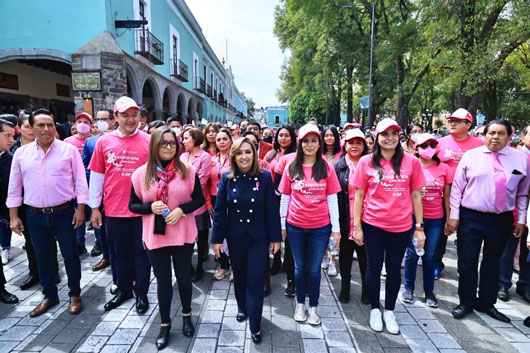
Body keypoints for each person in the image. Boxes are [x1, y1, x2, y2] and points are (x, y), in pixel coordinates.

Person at [447, 119, 530, 323]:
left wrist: (521, 220)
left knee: (493, 263)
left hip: (501, 219)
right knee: (467, 262)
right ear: (484, 135)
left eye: (501, 133)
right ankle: (466, 301)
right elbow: (457, 188)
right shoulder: (471, 156)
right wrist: (454, 217)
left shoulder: (520, 160)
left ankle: (486, 302)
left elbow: (522, 193)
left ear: (510, 136)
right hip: (471, 217)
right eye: (491, 132)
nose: (495, 137)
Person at [8, 108, 88, 317]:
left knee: (70, 255)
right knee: (43, 257)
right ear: (31, 128)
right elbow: (14, 187)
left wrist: (80, 210)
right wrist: (13, 216)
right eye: (40, 125)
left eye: (50, 125)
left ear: (55, 127)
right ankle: (49, 295)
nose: (46, 129)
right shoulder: (21, 154)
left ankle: (75, 295)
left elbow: (81, 181)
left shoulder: (68, 150)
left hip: (64, 213)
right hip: (34, 215)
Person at [129, 128, 204, 349]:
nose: (169, 147)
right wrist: (150, 207)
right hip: (155, 236)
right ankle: (164, 324)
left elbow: (199, 199)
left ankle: (187, 315)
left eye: (173, 143)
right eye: (164, 143)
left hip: (183, 234)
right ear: (154, 146)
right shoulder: (141, 174)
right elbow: (132, 205)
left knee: (183, 278)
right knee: (163, 282)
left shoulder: (188, 171)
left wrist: (181, 209)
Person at [352, 118, 426, 335]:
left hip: (401, 226)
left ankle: (389, 309)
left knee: (394, 269)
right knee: (373, 267)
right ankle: (375, 308)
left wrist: (419, 227)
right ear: (377, 137)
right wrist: (357, 227)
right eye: (385, 134)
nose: (390, 138)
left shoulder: (411, 162)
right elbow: (358, 195)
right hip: (373, 224)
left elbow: (415, 195)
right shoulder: (366, 162)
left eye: (394, 134)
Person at [212, 137, 281, 344]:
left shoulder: (265, 177)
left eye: (248, 152)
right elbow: (219, 211)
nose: (244, 156)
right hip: (235, 236)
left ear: (254, 154)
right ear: (234, 156)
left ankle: (255, 323)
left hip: (258, 237)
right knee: (239, 276)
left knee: (256, 279)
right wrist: (216, 239)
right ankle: (242, 307)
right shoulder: (227, 178)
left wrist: (276, 237)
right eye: (239, 153)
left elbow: (272, 209)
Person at [88, 97, 151, 314]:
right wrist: (94, 208)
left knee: (142, 253)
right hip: (114, 209)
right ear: (115, 118)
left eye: (134, 115)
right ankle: (124, 289)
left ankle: (141, 293)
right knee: (120, 252)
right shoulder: (103, 142)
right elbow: (96, 176)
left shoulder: (149, 141)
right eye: (125, 115)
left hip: (142, 210)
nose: (130, 119)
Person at [279, 124, 341, 326]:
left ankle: (313, 307)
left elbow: (332, 199)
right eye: (305, 140)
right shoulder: (291, 167)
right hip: (295, 225)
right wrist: (282, 225)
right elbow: (285, 198)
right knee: (299, 266)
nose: (310, 144)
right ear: (299, 143)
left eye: (314, 140)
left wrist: (336, 228)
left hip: (320, 227)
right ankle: (299, 304)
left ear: (319, 143)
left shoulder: (327, 167)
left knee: (314, 269)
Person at [401, 133, 452, 308]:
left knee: (430, 256)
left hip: (436, 219)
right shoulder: (410, 165)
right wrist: (412, 194)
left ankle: (429, 291)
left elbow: (447, 196)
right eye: (424, 145)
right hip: (414, 217)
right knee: (413, 254)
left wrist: (449, 218)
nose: (428, 148)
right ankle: (408, 288)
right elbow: (400, 191)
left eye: (432, 144)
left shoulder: (444, 168)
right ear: (416, 147)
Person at [434, 108, 483, 279]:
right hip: (443, 196)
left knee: (467, 236)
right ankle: (436, 264)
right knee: (441, 232)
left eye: (457, 121)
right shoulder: (440, 143)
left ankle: (466, 269)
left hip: (470, 197)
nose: (452, 123)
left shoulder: (480, 145)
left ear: (469, 124)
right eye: (451, 120)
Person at [335, 128, 369, 304]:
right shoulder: (337, 167)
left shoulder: (372, 164)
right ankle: (345, 288)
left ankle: (366, 290)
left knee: (365, 259)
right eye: (351, 142)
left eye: (358, 142)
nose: (355, 146)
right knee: (345, 258)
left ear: (364, 145)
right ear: (344, 145)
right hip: (344, 220)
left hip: (367, 220)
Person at [82, 110, 116, 285]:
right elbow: (85, 165)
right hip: (98, 191)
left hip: (116, 192)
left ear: (113, 120)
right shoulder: (90, 141)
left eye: (105, 119)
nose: (101, 122)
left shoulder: (119, 139)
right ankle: (105, 256)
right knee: (100, 226)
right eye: (99, 119)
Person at [498, 124, 530, 303]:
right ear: (522, 136)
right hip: (515, 213)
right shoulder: (517, 157)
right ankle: (503, 283)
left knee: (527, 253)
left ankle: (525, 284)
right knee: (507, 251)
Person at [180, 127, 212, 282]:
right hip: (182, 203)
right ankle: (188, 265)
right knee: (186, 238)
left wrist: (182, 186)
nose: (183, 141)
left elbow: (202, 179)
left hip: (197, 204)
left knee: (201, 237)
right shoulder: (182, 156)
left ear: (195, 139)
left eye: (186, 138)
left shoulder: (204, 157)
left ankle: (200, 265)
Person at [264, 125, 297, 276]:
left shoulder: (296, 155)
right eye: (280, 135)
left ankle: (288, 261)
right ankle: (276, 260)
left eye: (287, 135)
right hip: (269, 197)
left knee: (288, 230)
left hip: (289, 198)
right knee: (273, 228)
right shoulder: (270, 154)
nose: (283, 138)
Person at [65, 112, 94, 255]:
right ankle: (79, 243)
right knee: (78, 212)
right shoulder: (68, 142)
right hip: (75, 184)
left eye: (86, 122)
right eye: (79, 121)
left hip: (92, 182)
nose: (82, 124)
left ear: (91, 125)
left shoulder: (95, 141)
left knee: (94, 211)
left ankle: (99, 243)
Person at [206, 129, 233, 280]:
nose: (221, 142)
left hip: (232, 200)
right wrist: (208, 201)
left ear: (230, 141)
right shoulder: (211, 160)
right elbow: (206, 182)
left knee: (233, 233)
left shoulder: (235, 158)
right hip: (216, 199)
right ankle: (223, 265)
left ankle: (235, 265)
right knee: (219, 232)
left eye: (224, 139)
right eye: (219, 140)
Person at [0, 118, 18, 304]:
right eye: (7, 135)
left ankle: (1, 289)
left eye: (13, 136)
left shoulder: (11, 159)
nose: (11, 139)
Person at [321, 125, 342, 277]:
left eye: (331, 135)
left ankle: (333, 259)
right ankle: (324, 255)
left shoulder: (341, 153)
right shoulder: (318, 153)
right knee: (323, 228)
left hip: (337, 194)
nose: (329, 138)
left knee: (335, 227)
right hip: (321, 196)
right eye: (326, 135)